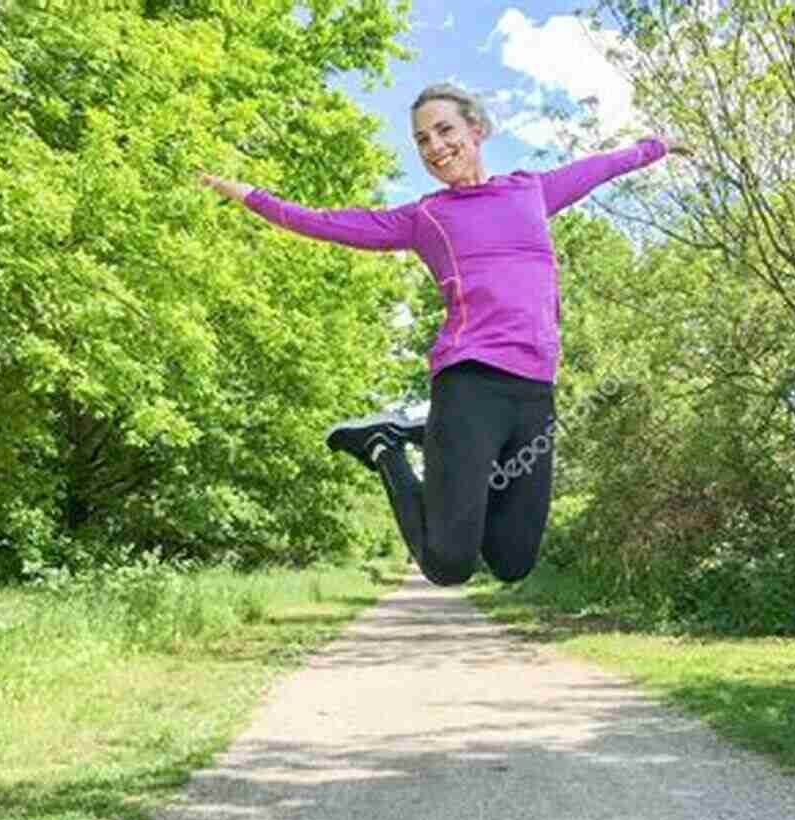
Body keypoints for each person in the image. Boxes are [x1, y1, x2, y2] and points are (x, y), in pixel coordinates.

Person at [198, 83, 686, 586]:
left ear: (477, 129)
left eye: (445, 130)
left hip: (536, 390)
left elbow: (604, 166)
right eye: (422, 140)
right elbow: (330, 224)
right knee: (449, 563)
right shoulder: (426, 217)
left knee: (513, 561)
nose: (435, 146)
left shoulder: (532, 190)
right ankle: (386, 447)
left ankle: (428, 441)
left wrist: (659, 147)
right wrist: (250, 197)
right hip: (469, 381)